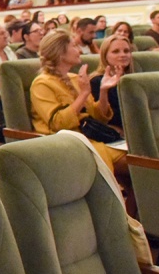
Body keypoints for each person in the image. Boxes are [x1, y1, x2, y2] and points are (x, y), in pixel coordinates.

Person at [31, 30, 125, 174]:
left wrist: (103, 91)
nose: (80, 50)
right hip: (67, 143)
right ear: (60, 52)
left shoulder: (75, 78)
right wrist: (84, 94)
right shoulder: (42, 84)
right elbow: (59, 123)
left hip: (92, 138)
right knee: (135, 164)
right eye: (74, 46)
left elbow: (99, 118)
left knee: (140, 157)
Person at [90, 34, 134, 129]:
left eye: (126, 51)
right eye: (116, 51)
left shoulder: (134, 79)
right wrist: (104, 90)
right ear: (105, 56)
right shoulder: (96, 81)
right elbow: (101, 117)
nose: (123, 55)